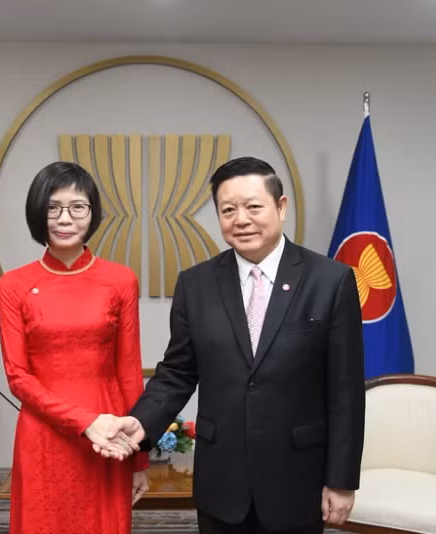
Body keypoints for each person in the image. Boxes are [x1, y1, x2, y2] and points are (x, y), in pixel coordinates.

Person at [102, 157, 365, 533]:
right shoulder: (195, 284)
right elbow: (177, 373)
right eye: (228, 210)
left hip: (297, 478)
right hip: (222, 478)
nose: (241, 219)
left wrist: (341, 480)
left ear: (281, 207)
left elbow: (345, 390)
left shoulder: (330, 281)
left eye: (253, 207)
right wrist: (141, 423)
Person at [0, 161, 149, 534]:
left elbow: (129, 371)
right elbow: (18, 377)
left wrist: (140, 460)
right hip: (44, 434)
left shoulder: (120, 280)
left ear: (92, 213)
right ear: (37, 212)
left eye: (78, 207)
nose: (65, 218)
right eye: (53, 208)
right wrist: (86, 422)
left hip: (110, 434)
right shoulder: (13, 285)